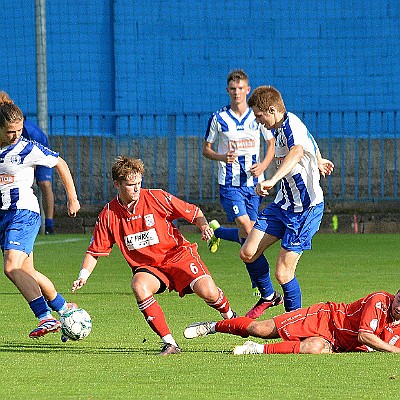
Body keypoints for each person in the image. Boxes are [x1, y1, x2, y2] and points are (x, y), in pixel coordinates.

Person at [71, 156, 237, 356]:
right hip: (150, 268)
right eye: (131, 185)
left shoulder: (156, 197)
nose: (136, 189)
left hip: (178, 256)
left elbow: (193, 212)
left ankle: (230, 317)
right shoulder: (108, 214)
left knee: (209, 292)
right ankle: (170, 344)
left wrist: (203, 227)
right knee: (139, 285)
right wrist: (83, 276)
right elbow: (95, 250)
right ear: (117, 184)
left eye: (139, 184)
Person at [241, 85, 334, 316]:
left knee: (283, 273)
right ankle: (269, 297)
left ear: (272, 110)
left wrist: (272, 179)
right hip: (283, 206)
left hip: (305, 210)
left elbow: (298, 150)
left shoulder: (291, 126)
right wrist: (320, 159)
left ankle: (295, 325)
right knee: (248, 252)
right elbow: (310, 139)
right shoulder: (282, 127)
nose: (258, 120)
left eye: (259, 116)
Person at [0, 99, 81, 338]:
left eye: (18, 130)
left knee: (11, 267)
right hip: (4, 215)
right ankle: (65, 309)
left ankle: (45, 317)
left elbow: (60, 163)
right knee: (28, 272)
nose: (15, 135)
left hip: (23, 212)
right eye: (9, 132)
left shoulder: (26, 148)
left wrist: (72, 197)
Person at [203, 69, 280, 310]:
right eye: (233, 89)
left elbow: (271, 145)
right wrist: (220, 156)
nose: (237, 93)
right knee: (249, 230)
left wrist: (264, 166)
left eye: (241, 88)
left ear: (248, 90)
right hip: (230, 185)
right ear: (228, 91)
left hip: (253, 185)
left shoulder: (256, 117)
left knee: (249, 237)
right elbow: (206, 149)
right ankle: (267, 290)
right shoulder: (219, 118)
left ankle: (217, 233)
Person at [184, 290, 400, 354]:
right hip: (324, 318)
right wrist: (393, 351)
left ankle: (255, 350)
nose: (398, 305)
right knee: (260, 328)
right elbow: (365, 335)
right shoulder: (379, 300)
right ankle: (212, 326)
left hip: (338, 343)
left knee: (314, 348)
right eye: (399, 298)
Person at [0, 91, 56, 234]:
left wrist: (32, 165)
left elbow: (36, 151)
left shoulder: (29, 131)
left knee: (44, 184)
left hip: (36, 151)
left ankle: (49, 224)